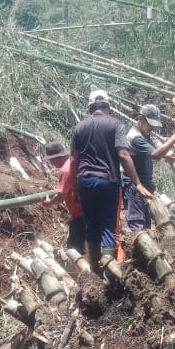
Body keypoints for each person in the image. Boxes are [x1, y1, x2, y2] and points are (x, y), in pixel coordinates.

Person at [69, 89, 152, 273]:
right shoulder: (116, 124)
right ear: (108, 106)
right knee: (108, 227)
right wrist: (138, 183)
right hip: (108, 181)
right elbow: (123, 154)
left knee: (92, 226)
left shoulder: (79, 128)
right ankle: (110, 276)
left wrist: (74, 187)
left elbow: (74, 160)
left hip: (85, 181)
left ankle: (95, 273)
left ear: (90, 107)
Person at [121, 105, 175, 230]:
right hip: (134, 185)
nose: (152, 128)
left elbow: (154, 152)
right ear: (140, 118)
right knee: (137, 224)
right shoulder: (135, 137)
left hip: (143, 184)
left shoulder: (143, 133)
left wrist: (166, 154)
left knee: (146, 225)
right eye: (150, 124)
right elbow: (155, 154)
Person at [42, 140, 86, 255]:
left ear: (59, 157)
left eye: (51, 160)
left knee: (74, 248)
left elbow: (61, 197)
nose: (51, 163)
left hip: (81, 215)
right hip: (88, 210)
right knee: (88, 243)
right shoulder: (75, 162)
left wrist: (48, 203)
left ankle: (83, 272)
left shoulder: (65, 170)